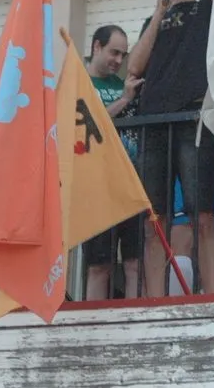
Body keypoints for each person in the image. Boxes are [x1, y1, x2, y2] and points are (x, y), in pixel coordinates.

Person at [126, 0, 214, 297]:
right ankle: (154, 301)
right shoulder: (156, 18)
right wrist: (158, 9)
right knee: (154, 221)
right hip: (153, 124)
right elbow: (134, 66)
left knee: (202, 215)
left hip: (193, 120)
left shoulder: (206, 9)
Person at [81, 24, 145, 299]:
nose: (119, 61)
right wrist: (124, 100)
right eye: (114, 52)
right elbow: (85, 128)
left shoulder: (123, 85)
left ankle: (134, 322)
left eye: (123, 55)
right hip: (95, 185)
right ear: (96, 46)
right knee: (99, 264)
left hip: (129, 182)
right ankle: (92, 325)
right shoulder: (79, 83)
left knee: (134, 262)